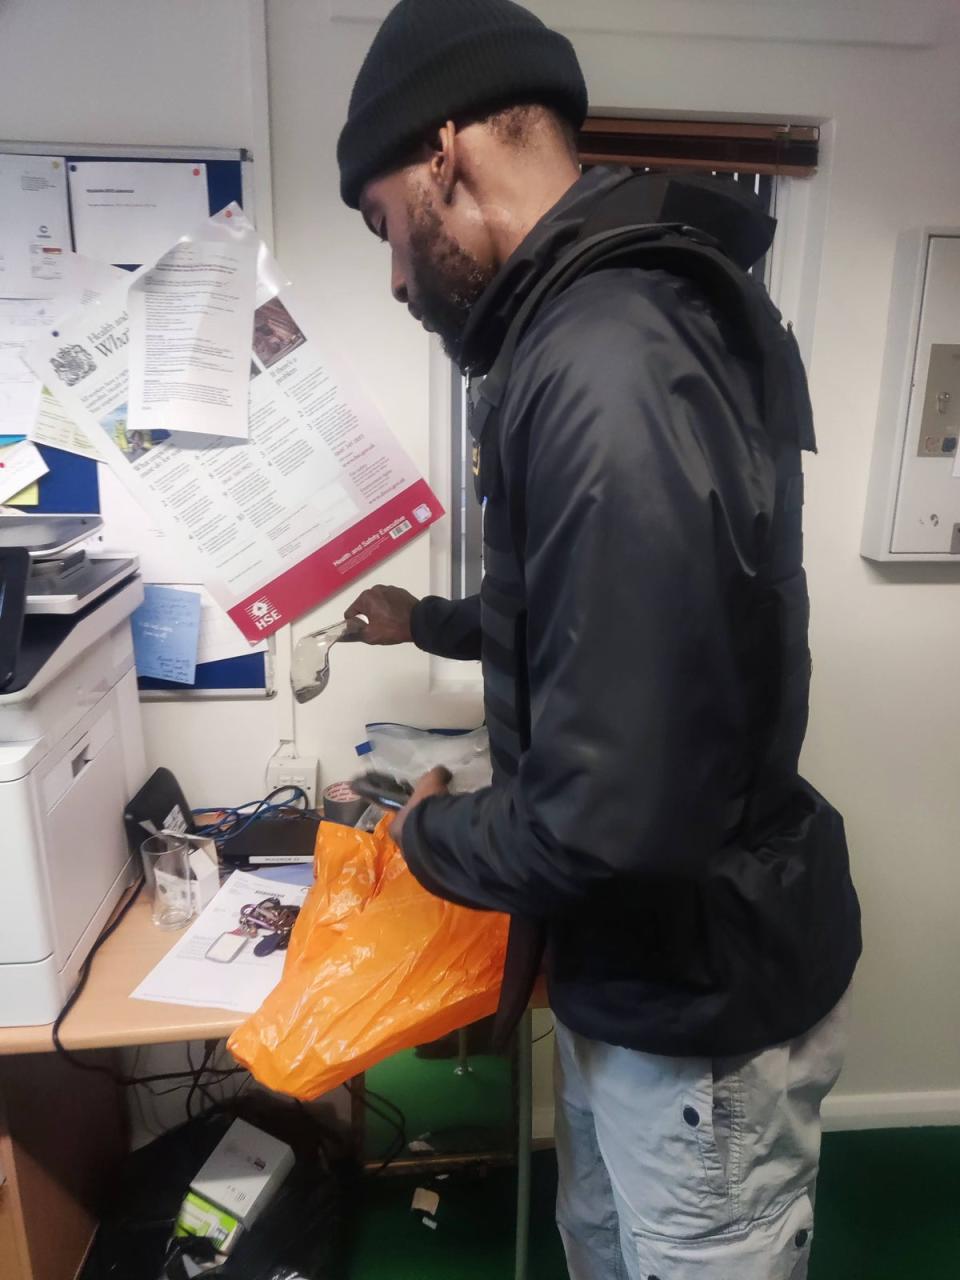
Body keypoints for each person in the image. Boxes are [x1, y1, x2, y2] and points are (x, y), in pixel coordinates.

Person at [336, 2, 861, 1276]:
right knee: (603, 1244)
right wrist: (438, 622)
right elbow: (608, 604)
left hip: (696, 1008)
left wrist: (426, 833)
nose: (396, 275)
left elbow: (607, 810)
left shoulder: (606, 355)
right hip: (635, 971)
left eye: (382, 225)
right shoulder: (596, 324)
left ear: (444, 154)